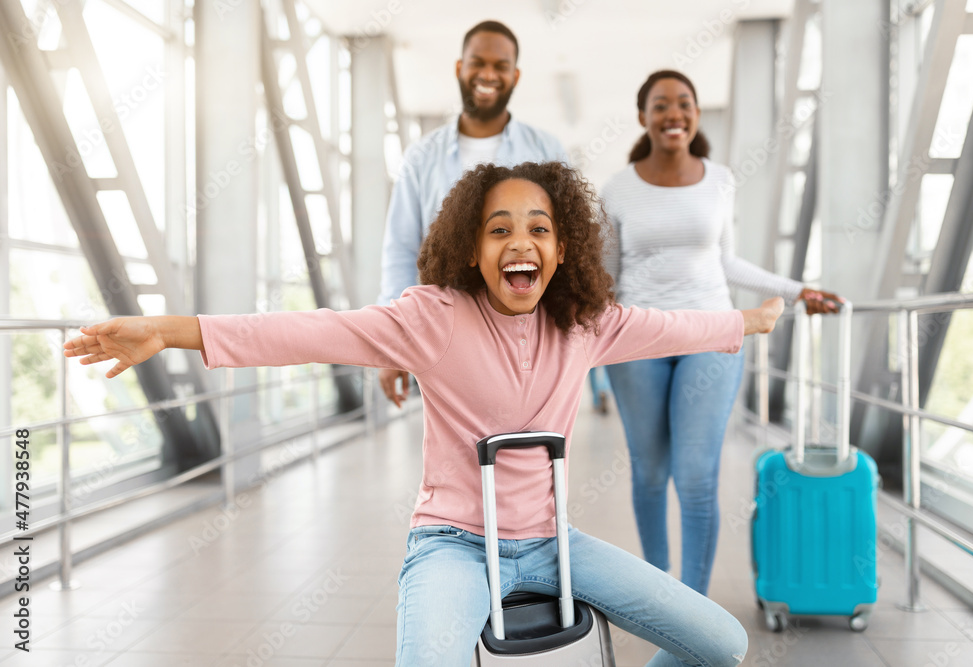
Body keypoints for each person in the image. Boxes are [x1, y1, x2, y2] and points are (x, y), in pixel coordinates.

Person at [66, 161, 784, 667]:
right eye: (499, 229)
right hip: (453, 543)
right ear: (473, 249)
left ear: (562, 249)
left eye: (538, 228)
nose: (520, 243)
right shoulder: (432, 318)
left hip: (551, 543)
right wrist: (171, 329)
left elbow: (673, 327)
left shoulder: (584, 323)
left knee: (721, 642)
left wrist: (747, 322)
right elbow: (308, 330)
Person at [601, 70, 843, 596]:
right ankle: (658, 587)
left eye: (684, 103)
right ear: (643, 116)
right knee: (649, 471)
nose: (673, 113)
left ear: (695, 114)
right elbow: (607, 278)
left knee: (695, 475)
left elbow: (727, 262)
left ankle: (693, 604)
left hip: (711, 332)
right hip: (638, 338)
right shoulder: (617, 188)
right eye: (661, 104)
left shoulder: (719, 178)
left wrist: (799, 290)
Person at [376, 20, 567, 408]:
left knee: (527, 448)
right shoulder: (421, 158)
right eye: (477, 62)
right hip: (445, 333)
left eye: (500, 66)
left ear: (515, 76)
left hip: (527, 332)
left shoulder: (547, 149)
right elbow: (400, 250)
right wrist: (391, 341)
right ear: (459, 68)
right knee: (456, 453)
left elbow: (568, 243)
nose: (488, 74)